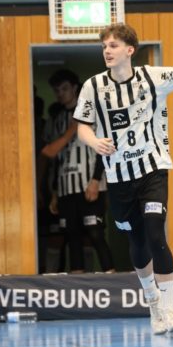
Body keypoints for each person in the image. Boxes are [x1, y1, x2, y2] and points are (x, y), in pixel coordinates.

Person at [74, 23, 173, 334]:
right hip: (118, 177)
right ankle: (153, 302)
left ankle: (170, 310)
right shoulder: (93, 86)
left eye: (113, 45)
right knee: (136, 240)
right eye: (104, 46)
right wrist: (95, 142)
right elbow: (82, 127)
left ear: (129, 50)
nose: (107, 51)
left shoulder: (152, 77)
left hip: (153, 169)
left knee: (155, 233)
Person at [42, 69, 115, 274]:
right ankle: (78, 283)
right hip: (66, 187)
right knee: (71, 235)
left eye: (64, 89)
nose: (60, 94)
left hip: (90, 184)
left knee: (95, 233)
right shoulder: (57, 120)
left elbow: (104, 149)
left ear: (75, 88)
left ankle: (113, 278)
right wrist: (55, 192)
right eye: (57, 90)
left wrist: (96, 180)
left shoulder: (92, 113)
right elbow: (56, 159)